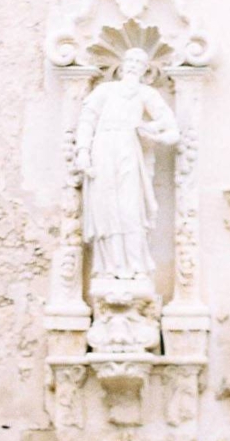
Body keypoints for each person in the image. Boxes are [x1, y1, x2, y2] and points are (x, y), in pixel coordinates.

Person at [75, 47, 179, 281]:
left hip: (129, 150)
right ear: (122, 65)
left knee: (130, 207)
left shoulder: (146, 94)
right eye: (129, 60)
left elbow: (171, 127)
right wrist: (83, 151)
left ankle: (136, 265)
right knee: (105, 206)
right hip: (102, 148)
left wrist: (151, 131)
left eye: (139, 62)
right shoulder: (105, 90)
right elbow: (87, 120)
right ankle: (109, 267)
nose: (133, 64)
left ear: (145, 70)